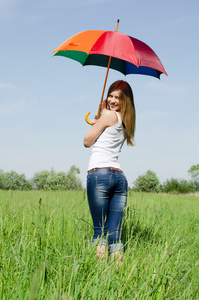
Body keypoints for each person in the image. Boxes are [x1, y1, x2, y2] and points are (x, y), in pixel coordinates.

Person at [84, 80, 136, 264]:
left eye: (118, 98)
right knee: (115, 235)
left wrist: (96, 124)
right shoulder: (126, 121)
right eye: (111, 96)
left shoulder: (107, 115)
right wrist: (100, 123)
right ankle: (119, 278)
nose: (113, 100)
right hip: (119, 178)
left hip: (100, 174)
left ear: (124, 101)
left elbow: (87, 141)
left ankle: (99, 277)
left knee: (100, 232)